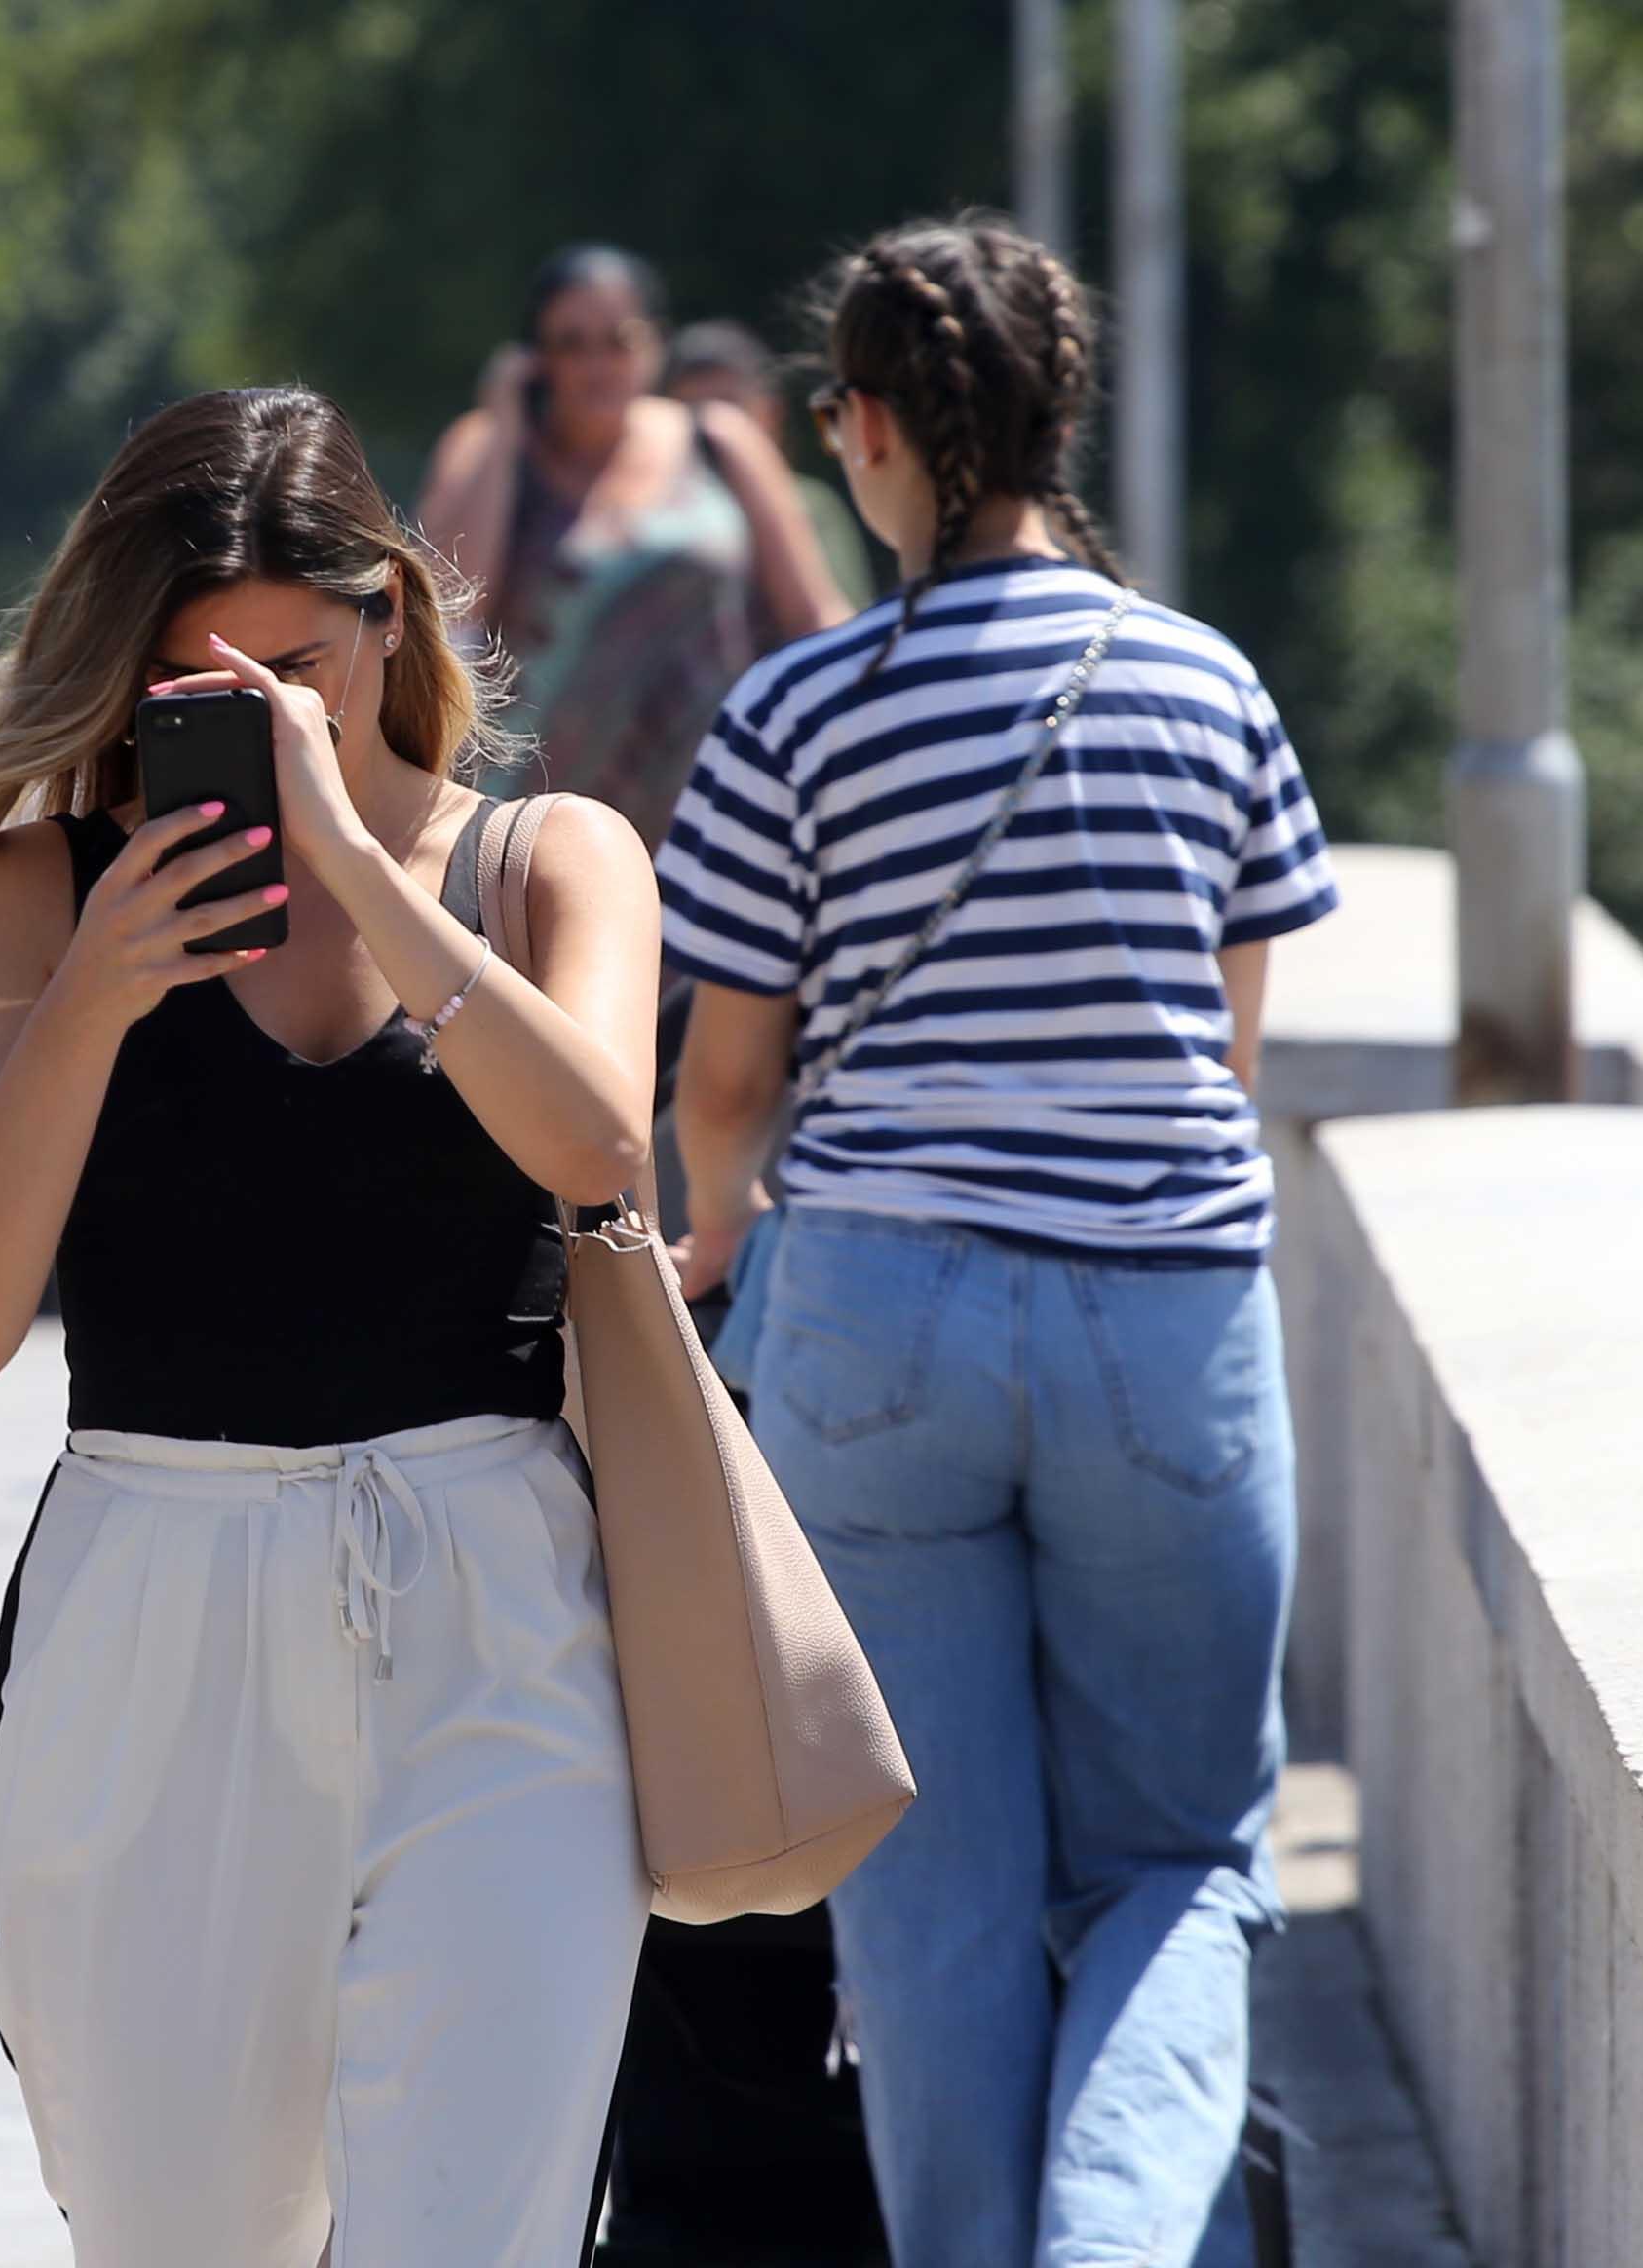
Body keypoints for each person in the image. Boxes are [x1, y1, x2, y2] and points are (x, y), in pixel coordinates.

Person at [0, 384, 666, 2266]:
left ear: (389, 614)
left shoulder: (546, 861)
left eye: (293, 671)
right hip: (155, 1596)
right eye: (194, 692)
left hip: (495, 1607)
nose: (251, 721)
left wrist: (356, 863)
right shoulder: (36, 895)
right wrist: (90, 997)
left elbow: (597, 1146)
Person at [658, 216, 1338, 2267]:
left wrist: (713, 1245)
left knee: (927, 1889)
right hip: (1160, 1319)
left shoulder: (795, 714)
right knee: (1176, 1860)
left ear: (863, 432)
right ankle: (1120, 2245)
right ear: (1066, 418)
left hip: (872, 1323)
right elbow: (1219, 1044)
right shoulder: (1206, 685)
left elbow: (727, 1082)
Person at [419, 243, 852, 846]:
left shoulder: (718, 443)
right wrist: (505, 420)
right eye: (572, 344)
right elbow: (448, 613)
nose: (599, 363)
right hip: (530, 826)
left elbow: (814, 616)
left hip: (710, 806)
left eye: (620, 338)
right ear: (536, 357)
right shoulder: (486, 450)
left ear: (655, 344)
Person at [667, 316, 879, 618]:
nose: (715, 431)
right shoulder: (655, 517)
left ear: (771, 413)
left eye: (731, 409)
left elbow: (841, 623)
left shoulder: (811, 507)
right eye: (695, 415)